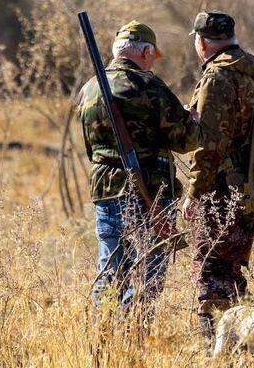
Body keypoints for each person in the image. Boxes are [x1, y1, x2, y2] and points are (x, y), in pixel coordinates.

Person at [77, 20, 198, 312]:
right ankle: (134, 338)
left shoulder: (90, 88)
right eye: (153, 55)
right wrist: (191, 119)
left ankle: (102, 343)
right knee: (148, 275)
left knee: (109, 272)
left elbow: (91, 147)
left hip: (105, 192)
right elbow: (185, 140)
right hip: (149, 194)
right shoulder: (149, 86)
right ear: (145, 52)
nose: (153, 62)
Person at [182, 11, 254, 341]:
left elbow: (209, 145)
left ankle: (218, 354)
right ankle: (244, 343)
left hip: (222, 190)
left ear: (202, 42)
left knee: (211, 268)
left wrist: (194, 192)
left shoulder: (217, 78)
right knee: (232, 268)